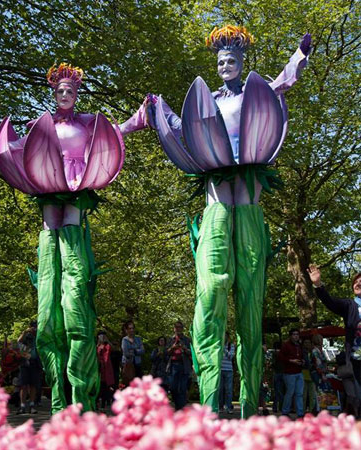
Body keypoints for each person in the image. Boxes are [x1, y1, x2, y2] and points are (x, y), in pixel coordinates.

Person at [0, 63, 148, 413]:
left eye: (70, 90)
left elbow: (114, 133)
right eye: (60, 90)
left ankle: (80, 388)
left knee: (73, 260)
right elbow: (15, 146)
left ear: (76, 95)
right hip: (47, 188)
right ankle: (58, 389)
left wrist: (138, 119)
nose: (65, 95)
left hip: (77, 185)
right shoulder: (40, 126)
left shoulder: (88, 122)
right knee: (50, 249)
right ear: (54, 94)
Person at [146, 25, 311, 417]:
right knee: (211, 292)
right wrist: (156, 108)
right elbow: (180, 126)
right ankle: (207, 404)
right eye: (220, 61)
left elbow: (285, 81)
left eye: (232, 60)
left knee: (251, 303)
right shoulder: (209, 101)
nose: (225, 65)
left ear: (242, 64)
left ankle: (250, 406)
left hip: (249, 198)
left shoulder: (258, 93)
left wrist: (300, 54)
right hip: (218, 197)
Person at [308, 267, 361, 385]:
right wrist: (318, 284)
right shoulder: (350, 306)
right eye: (355, 282)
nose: (358, 283)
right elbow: (330, 302)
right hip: (357, 359)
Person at [278, 328, 304, 418]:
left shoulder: (299, 345)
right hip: (289, 373)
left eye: (297, 334)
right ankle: (285, 411)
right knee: (290, 392)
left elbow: (302, 356)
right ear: (290, 336)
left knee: (299, 393)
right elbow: (280, 357)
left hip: (299, 372)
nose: (296, 336)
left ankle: (300, 413)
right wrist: (291, 361)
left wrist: (302, 361)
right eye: (294, 334)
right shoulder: (286, 345)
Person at [16, 321, 41, 414]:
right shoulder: (27, 335)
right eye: (34, 327)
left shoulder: (40, 336)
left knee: (34, 385)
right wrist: (25, 332)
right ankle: (22, 406)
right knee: (23, 384)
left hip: (36, 362)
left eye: (36, 327)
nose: (35, 329)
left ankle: (32, 405)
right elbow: (18, 342)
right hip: (25, 363)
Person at [166, 321, 192, 410]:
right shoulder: (170, 339)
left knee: (182, 388)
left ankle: (181, 409)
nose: (178, 329)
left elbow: (191, 353)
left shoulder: (187, 340)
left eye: (180, 327)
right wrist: (173, 348)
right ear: (174, 329)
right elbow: (166, 353)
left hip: (184, 366)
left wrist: (184, 348)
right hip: (173, 366)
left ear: (182, 328)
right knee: (173, 387)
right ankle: (178, 405)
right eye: (176, 327)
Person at [96, 331, 114, 409]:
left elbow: (113, 349)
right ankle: (97, 403)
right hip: (98, 369)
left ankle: (104, 404)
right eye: (101, 336)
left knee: (105, 387)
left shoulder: (107, 346)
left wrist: (108, 341)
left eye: (103, 336)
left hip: (106, 369)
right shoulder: (97, 346)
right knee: (98, 387)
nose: (102, 338)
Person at [219, 332, 235, 413]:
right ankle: (220, 407)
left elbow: (231, 356)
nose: (224, 338)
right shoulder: (218, 345)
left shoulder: (231, 346)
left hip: (229, 370)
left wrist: (224, 350)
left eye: (225, 336)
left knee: (228, 389)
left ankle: (229, 407)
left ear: (228, 337)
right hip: (220, 370)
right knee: (220, 389)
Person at [302, 337, 317, 414]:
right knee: (303, 395)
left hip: (312, 375)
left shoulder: (314, 352)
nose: (307, 344)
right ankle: (302, 411)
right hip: (303, 375)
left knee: (312, 395)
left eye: (308, 343)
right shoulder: (301, 352)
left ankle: (312, 411)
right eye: (305, 343)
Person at [271, 341, 285, 413]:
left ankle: (275, 407)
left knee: (277, 391)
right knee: (281, 391)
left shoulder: (274, 353)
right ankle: (281, 407)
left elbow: (273, 363)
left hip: (277, 373)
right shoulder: (283, 353)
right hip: (283, 373)